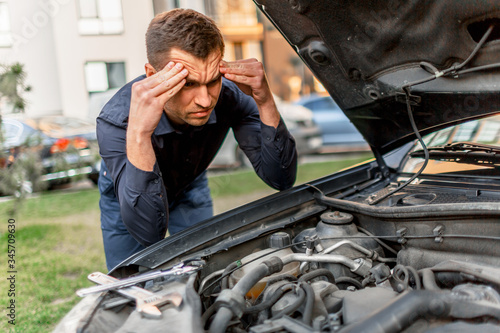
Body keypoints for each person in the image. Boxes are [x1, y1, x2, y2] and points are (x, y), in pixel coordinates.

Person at [97, 8, 297, 270]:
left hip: (189, 184)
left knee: (203, 270)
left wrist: (265, 100)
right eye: (188, 84)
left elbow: (281, 179)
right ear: (152, 75)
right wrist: (139, 133)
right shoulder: (116, 121)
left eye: (212, 81)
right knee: (133, 283)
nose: (205, 100)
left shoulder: (230, 97)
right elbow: (148, 233)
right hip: (127, 193)